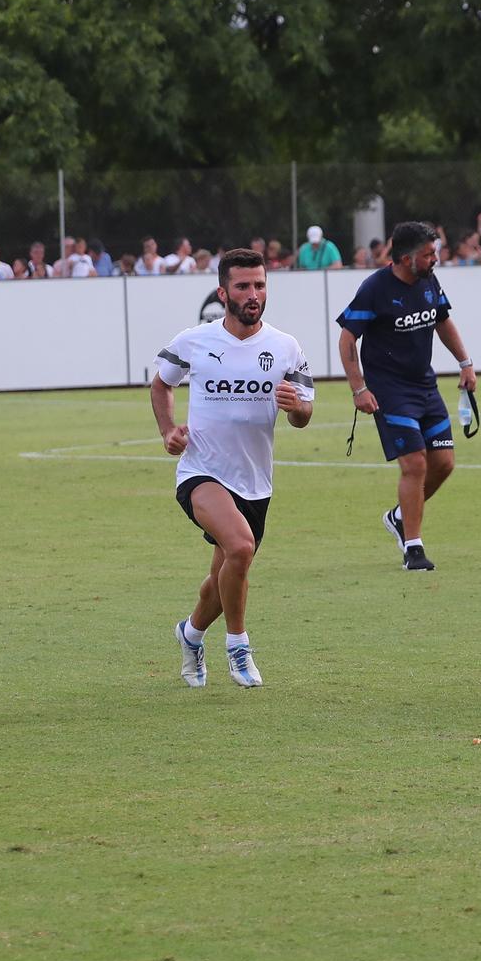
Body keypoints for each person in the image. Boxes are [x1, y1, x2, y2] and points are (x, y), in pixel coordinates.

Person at [150, 248, 314, 689]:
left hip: (255, 482)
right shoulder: (195, 340)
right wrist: (169, 431)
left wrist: (296, 408)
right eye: (243, 286)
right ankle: (238, 648)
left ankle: (189, 633)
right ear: (224, 292)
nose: (253, 294)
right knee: (241, 548)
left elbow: (304, 415)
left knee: (219, 582)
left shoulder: (285, 347)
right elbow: (162, 382)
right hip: (201, 472)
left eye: (260, 285)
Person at [335, 220, 479, 571]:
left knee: (443, 464)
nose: (435, 259)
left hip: (424, 386)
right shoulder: (375, 288)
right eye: (428, 254)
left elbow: (442, 321)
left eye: (436, 253)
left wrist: (465, 363)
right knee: (414, 463)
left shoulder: (429, 279)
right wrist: (359, 389)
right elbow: (347, 339)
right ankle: (413, 548)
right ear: (404, 257)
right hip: (389, 390)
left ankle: (400, 516)